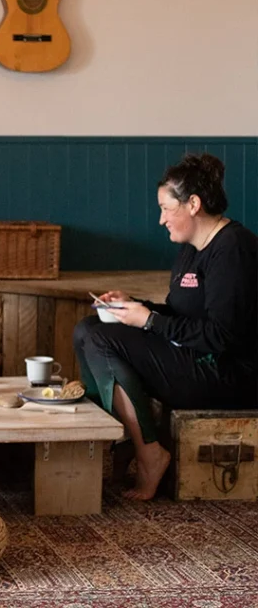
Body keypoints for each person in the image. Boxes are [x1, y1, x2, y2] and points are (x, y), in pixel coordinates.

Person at [75, 153, 257, 501]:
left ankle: (148, 453)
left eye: (165, 208)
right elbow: (179, 315)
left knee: (99, 337)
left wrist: (149, 320)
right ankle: (132, 439)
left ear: (193, 204)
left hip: (229, 375)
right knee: (87, 328)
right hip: (193, 359)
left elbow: (222, 336)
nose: (160, 220)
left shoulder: (234, 249)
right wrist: (135, 307)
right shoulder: (191, 248)